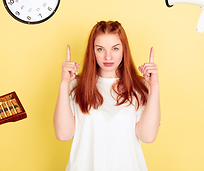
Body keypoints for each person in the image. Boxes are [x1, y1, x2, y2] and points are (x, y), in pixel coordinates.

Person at [53, 21, 160, 171]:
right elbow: (63, 135)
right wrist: (64, 84)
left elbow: (147, 136)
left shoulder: (140, 87)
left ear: (124, 50)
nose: (108, 56)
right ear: (93, 51)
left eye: (115, 48)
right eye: (100, 49)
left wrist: (154, 87)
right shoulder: (75, 86)